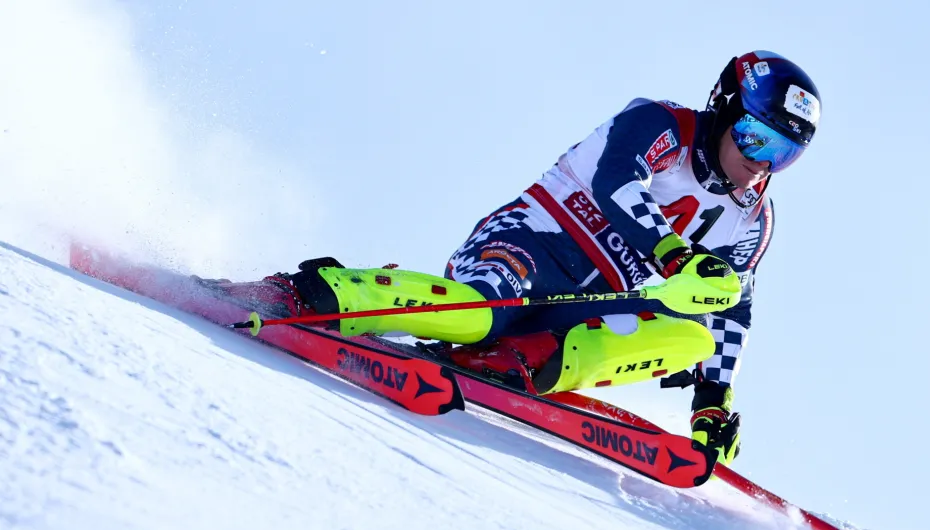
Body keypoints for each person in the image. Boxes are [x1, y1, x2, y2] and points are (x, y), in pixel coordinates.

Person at [219, 50, 821, 467]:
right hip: (534, 245)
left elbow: (731, 310)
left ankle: (525, 364)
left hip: (588, 308)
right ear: (725, 109)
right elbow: (616, 182)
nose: (761, 162)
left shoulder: (752, 218)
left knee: (691, 337)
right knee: (483, 310)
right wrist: (671, 254)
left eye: (784, 152)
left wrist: (712, 404)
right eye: (755, 137)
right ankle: (323, 293)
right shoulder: (659, 124)